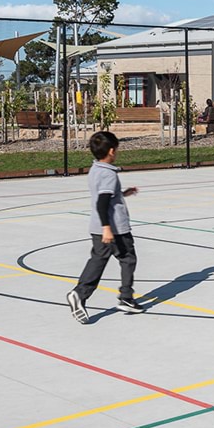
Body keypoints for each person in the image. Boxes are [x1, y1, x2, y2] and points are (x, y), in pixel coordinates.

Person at [66, 131, 145, 324]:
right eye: (116, 150)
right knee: (128, 258)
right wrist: (107, 228)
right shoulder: (109, 173)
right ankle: (124, 297)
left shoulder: (96, 169)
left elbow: (107, 196)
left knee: (98, 260)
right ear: (111, 151)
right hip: (115, 228)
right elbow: (102, 202)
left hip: (98, 226)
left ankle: (81, 293)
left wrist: (122, 193)